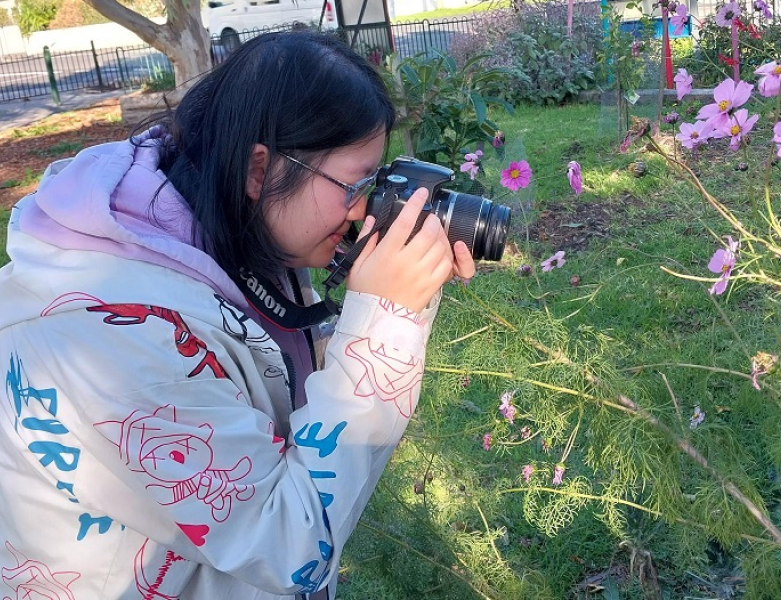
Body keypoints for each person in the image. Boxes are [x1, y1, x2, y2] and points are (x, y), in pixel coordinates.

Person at [0, 30, 474, 599]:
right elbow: (292, 548)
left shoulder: (211, 223)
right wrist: (386, 322)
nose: (361, 209)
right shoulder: (108, 341)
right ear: (258, 170)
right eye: (356, 184)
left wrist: (393, 281)